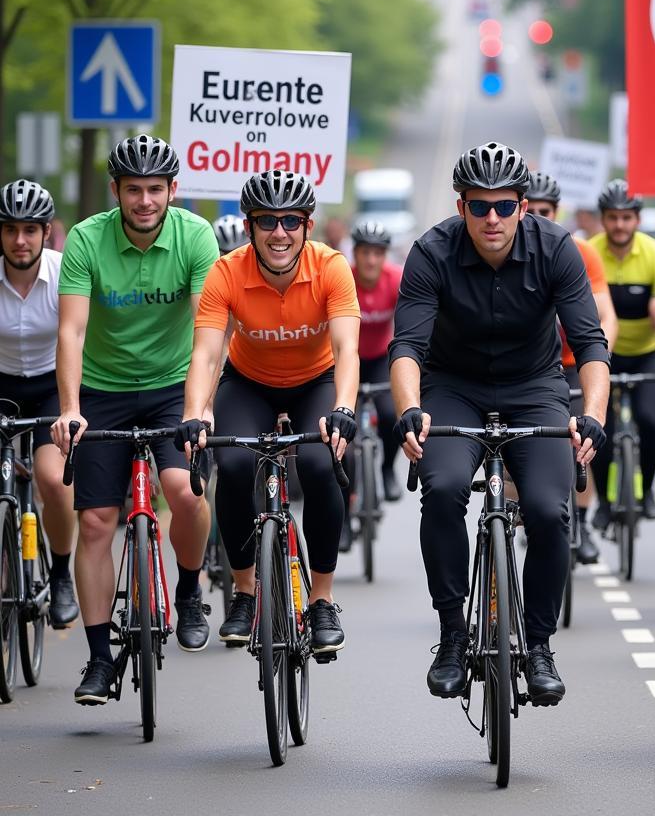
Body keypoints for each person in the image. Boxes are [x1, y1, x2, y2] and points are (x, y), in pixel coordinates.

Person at [389, 141, 609, 706]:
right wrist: (410, 408)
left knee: (547, 509)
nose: (493, 218)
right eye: (479, 206)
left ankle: (538, 645)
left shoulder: (557, 248)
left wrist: (592, 415)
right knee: (440, 490)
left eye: (505, 207)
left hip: (533, 387)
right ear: (461, 206)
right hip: (452, 385)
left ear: (523, 206)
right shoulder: (431, 252)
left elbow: (589, 344)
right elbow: (408, 345)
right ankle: (452, 635)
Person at [52, 135, 219, 705]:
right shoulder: (85, 239)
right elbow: (71, 331)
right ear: (116, 192)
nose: (144, 200)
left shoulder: (194, 236)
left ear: (173, 191)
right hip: (103, 388)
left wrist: (201, 406)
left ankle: (191, 589)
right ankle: (99, 659)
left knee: (186, 493)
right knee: (97, 522)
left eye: (155, 189)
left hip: (175, 386)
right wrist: (70, 408)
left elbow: (207, 333)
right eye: (133, 190)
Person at [176, 170, 360, 657]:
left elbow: (346, 348)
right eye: (266, 221)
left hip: (315, 383)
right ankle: (244, 589)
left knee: (322, 466)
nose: (279, 232)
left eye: (290, 221)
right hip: (249, 382)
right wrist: (196, 412)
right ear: (249, 225)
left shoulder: (332, 267)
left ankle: (321, 599)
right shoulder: (227, 272)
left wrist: (343, 407)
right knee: (234, 468)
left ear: (307, 225)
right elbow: (207, 355)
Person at [525, 171, 618, 564]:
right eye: (534, 211)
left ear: (555, 211)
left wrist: (598, 362)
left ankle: (580, 520)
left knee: (583, 439)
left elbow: (605, 317)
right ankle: (516, 517)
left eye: (547, 212)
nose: (539, 219)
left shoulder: (578, 252)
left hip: (572, 363)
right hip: (532, 366)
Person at [0, 180, 78, 627]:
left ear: (46, 232)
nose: (20, 240)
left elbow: (81, 337)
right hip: (4, 386)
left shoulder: (65, 273)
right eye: (10, 230)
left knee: (52, 478)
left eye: (30, 229)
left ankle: (61, 573)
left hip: (51, 384)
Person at [589, 179, 655, 523]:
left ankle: (647, 490)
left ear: (637, 219)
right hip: (603, 353)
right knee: (597, 426)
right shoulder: (589, 252)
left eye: (626, 217)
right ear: (603, 220)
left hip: (647, 352)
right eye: (612, 217)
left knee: (650, 420)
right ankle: (605, 505)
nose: (619, 225)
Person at [342, 220, 402, 551]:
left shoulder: (395, 280)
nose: (370, 260)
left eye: (377, 253)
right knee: (343, 444)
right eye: (365, 252)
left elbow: (410, 321)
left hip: (380, 359)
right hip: (346, 360)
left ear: (384, 255)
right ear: (356, 253)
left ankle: (388, 470)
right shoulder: (344, 278)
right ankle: (342, 521)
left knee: (392, 415)